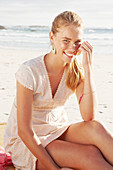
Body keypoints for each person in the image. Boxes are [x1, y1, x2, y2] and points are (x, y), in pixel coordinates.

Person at [4, 11, 113, 170]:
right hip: (27, 142)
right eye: (66, 41)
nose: (72, 48)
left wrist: (88, 67)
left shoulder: (75, 70)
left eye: (77, 42)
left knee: (96, 128)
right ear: (52, 37)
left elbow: (89, 116)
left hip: (56, 130)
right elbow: (24, 131)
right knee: (90, 155)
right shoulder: (29, 71)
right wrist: (54, 169)